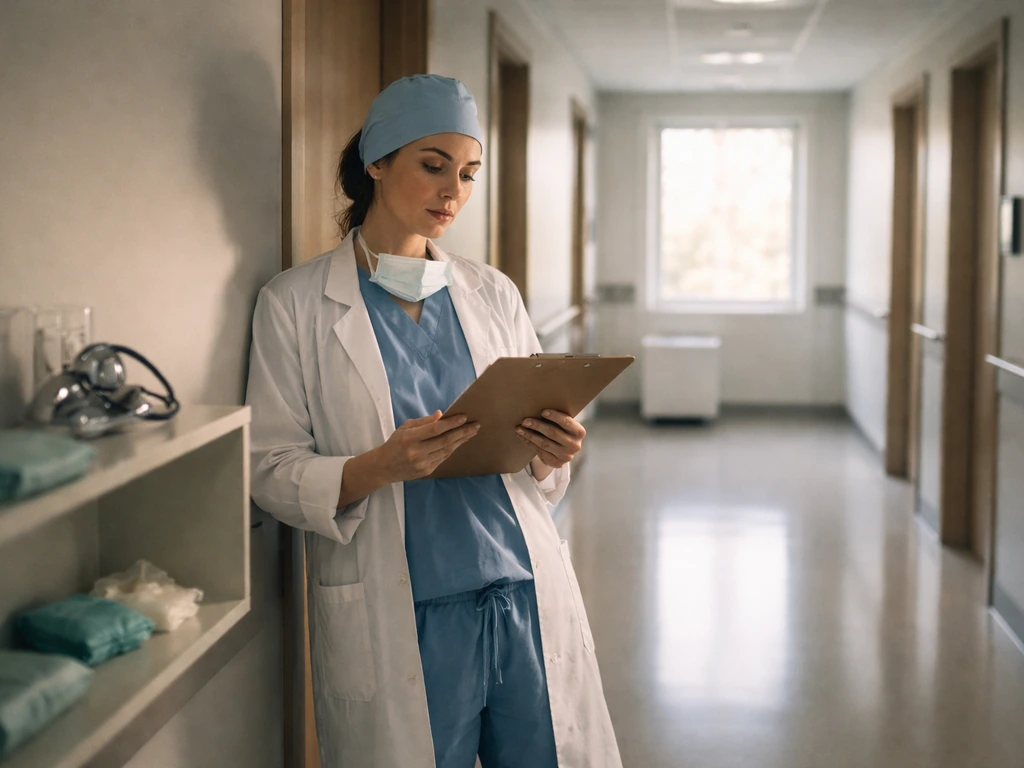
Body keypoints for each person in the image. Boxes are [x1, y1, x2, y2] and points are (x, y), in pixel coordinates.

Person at [246, 74, 622, 768]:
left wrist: (553, 450)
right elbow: (268, 470)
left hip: (520, 595)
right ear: (377, 162)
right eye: (432, 165)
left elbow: (536, 472)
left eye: (469, 174)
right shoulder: (294, 304)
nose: (453, 192)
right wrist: (376, 467)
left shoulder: (491, 292)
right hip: (405, 610)